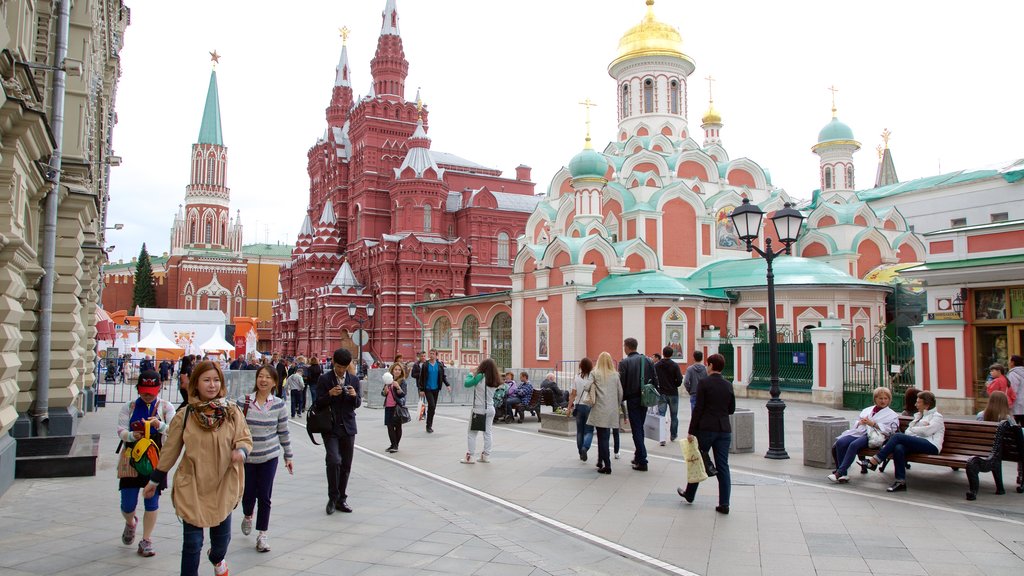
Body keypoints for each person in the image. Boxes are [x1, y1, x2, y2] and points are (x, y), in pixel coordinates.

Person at [144, 361, 252, 576]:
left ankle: (216, 558)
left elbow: (245, 438)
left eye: (216, 380)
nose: (212, 385)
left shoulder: (232, 412)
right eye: (206, 380)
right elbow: (171, 450)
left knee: (221, 543)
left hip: (222, 484)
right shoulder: (185, 415)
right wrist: (154, 480)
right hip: (192, 484)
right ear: (196, 384)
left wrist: (241, 451)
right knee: (192, 544)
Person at [116, 370, 175, 558]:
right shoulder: (130, 406)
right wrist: (133, 435)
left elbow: (174, 431)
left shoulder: (165, 407)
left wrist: (160, 425)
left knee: (152, 500)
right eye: (144, 390)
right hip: (131, 459)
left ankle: (147, 539)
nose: (147, 394)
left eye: (151, 390)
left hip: (156, 460)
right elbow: (120, 430)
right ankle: (130, 522)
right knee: (127, 503)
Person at [237, 365, 293, 553]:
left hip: (270, 457)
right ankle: (247, 515)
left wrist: (288, 455)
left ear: (274, 382)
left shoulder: (278, 404)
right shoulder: (243, 402)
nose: (263, 380)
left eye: (268, 377)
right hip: (247, 458)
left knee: (265, 496)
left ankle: (262, 534)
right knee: (248, 494)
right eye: (260, 376)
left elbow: (283, 431)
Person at [677, 353, 735, 514]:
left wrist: (691, 431)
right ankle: (724, 503)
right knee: (723, 466)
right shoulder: (728, 385)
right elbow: (731, 409)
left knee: (698, 460)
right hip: (724, 429)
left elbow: (698, 409)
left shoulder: (704, 384)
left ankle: (690, 493)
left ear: (709, 366)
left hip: (706, 429)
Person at [865, 391, 944, 492]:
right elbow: (908, 431)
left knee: (897, 436)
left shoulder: (937, 416)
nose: (915, 405)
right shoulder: (919, 416)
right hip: (919, 443)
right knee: (899, 448)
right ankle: (900, 482)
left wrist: (915, 429)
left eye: (918, 402)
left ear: (927, 405)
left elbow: (927, 431)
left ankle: (875, 460)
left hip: (932, 445)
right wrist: (919, 428)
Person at [314, 348, 362, 514]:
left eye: (344, 366)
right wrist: (329, 394)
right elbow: (317, 403)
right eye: (339, 366)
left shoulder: (354, 380)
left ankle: (342, 498)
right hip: (330, 427)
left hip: (348, 427)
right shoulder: (324, 379)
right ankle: (332, 497)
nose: (341, 370)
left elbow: (357, 404)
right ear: (333, 363)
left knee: (346, 465)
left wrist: (354, 395)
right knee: (334, 460)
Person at [828, 387, 899, 483]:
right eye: (880, 398)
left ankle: (840, 472)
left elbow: (891, 430)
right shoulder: (867, 410)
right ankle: (843, 474)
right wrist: (860, 422)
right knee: (841, 442)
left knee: (854, 445)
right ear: (875, 399)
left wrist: (873, 424)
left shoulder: (892, 414)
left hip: (874, 436)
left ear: (889, 400)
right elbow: (857, 422)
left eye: (885, 398)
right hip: (860, 432)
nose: (883, 401)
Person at [618, 337, 660, 471]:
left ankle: (642, 460)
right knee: (639, 426)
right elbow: (655, 380)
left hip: (632, 399)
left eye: (624, 346)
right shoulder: (648, 360)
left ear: (627, 347)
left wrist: (620, 400)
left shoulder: (624, 363)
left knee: (636, 429)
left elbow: (622, 384)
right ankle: (638, 456)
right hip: (645, 398)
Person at [588, 352, 624, 474]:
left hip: (599, 408)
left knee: (601, 436)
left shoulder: (594, 373)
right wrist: (617, 405)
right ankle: (601, 460)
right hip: (611, 410)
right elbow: (620, 393)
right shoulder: (615, 375)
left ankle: (607, 464)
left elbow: (586, 387)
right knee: (606, 436)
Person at [462, 358, 501, 464]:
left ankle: (470, 457)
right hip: (490, 408)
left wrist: (471, 373)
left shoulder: (480, 377)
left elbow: (467, 383)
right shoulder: (495, 379)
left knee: (472, 433)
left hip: (479, 409)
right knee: (488, 433)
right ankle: (486, 455)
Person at [415, 349, 450, 433]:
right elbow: (421, 378)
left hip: (436, 388)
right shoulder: (425, 365)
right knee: (432, 405)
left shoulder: (439, 365)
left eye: (433, 354)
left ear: (436, 355)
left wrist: (447, 385)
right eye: (430, 353)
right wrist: (421, 389)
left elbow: (443, 376)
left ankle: (429, 424)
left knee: (433, 408)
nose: (431, 355)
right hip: (427, 388)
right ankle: (428, 426)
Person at [568, 358, 596, 461]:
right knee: (589, 430)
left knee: (579, 431)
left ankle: (580, 452)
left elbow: (573, 394)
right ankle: (585, 448)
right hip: (589, 406)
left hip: (579, 406)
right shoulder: (593, 378)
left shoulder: (576, 377)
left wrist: (569, 407)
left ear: (581, 366)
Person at [655, 346, 684, 444]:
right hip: (673, 393)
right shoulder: (675, 365)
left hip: (662, 393)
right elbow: (679, 380)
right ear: (671, 354)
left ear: (663, 353)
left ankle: (662, 438)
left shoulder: (657, 365)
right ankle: (673, 435)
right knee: (674, 416)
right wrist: (675, 385)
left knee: (661, 415)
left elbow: (654, 378)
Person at [382, 363, 408, 453]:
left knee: (397, 426)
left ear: (401, 372)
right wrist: (384, 391)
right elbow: (383, 393)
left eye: (399, 370)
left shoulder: (402, 381)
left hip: (397, 406)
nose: (397, 371)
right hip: (388, 406)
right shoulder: (388, 380)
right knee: (389, 426)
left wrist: (398, 387)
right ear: (392, 370)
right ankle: (393, 444)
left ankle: (396, 445)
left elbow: (403, 394)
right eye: (395, 369)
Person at [1008, 355, 1024, 425]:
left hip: (1017, 406)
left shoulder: (1013, 374)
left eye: (1009, 361)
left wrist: (1009, 405)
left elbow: (1012, 390)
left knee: (1014, 428)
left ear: (1013, 362)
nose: (1008, 362)